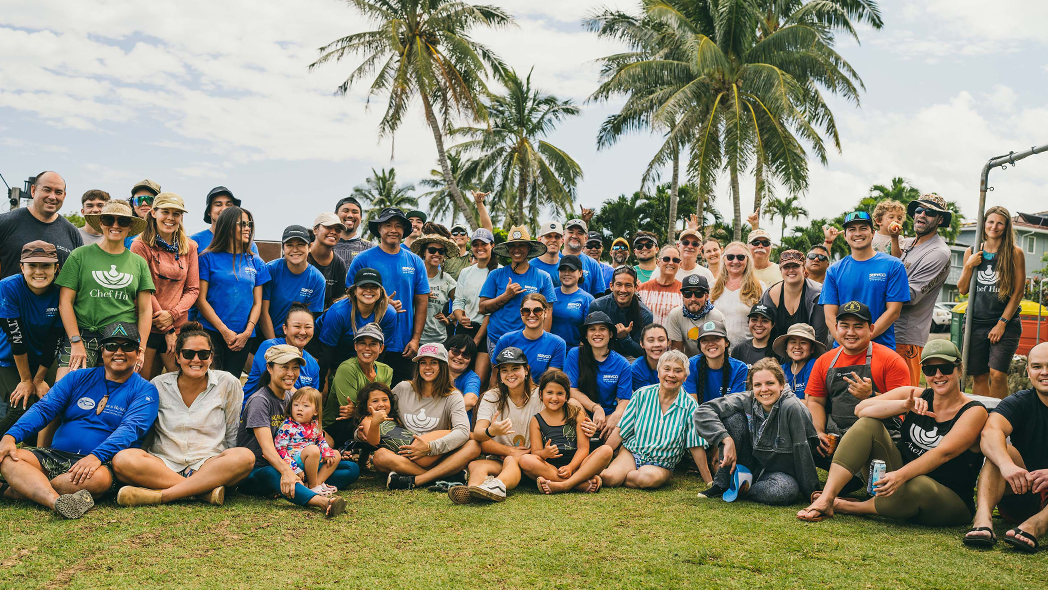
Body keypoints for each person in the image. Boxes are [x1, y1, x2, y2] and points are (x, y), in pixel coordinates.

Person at [798, 340, 987, 526]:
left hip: (947, 497)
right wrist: (904, 405)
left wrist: (900, 476)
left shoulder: (974, 411)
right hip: (900, 482)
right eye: (930, 369)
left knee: (918, 485)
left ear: (960, 369)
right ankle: (828, 497)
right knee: (868, 424)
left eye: (946, 368)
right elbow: (861, 410)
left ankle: (849, 506)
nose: (938, 375)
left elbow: (943, 453)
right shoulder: (915, 395)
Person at [0, 322, 159, 519]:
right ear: (102, 351)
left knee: (96, 481)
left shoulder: (145, 390)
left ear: (138, 352)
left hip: (101, 463)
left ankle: (18, 488)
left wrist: (96, 456)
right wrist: (10, 436)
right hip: (55, 455)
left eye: (127, 346)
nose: (119, 352)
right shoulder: (77, 378)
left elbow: (130, 430)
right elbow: (44, 409)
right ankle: (55, 501)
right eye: (111, 346)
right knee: (10, 459)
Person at [110, 322, 255, 506]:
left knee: (245, 457)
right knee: (123, 459)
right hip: (164, 463)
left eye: (203, 354)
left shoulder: (228, 382)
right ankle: (201, 492)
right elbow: (148, 430)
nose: (196, 360)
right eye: (188, 354)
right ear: (177, 357)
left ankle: (161, 496)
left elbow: (232, 429)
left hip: (208, 463)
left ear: (211, 357)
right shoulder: (158, 385)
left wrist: (230, 465)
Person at [236, 344, 356, 516]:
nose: (290, 373)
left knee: (350, 468)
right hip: (260, 469)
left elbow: (312, 435)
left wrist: (327, 453)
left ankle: (307, 485)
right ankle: (323, 502)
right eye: (284, 367)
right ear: (269, 368)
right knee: (273, 473)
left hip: (292, 461)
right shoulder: (260, 401)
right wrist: (287, 471)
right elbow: (267, 450)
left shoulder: (293, 398)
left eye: (295, 368)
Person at [694, 358, 820, 504]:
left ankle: (743, 489)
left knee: (785, 490)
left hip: (780, 472)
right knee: (733, 420)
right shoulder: (748, 398)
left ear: (781, 384)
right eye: (757, 385)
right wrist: (725, 439)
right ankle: (721, 484)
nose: (764, 389)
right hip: (752, 462)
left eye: (770, 383)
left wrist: (812, 493)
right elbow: (703, 411)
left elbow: (802, 449)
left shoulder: (792, 407)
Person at [804, 301, 912, 470]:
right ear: (837, 328)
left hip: (878, 438)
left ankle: (854, 476)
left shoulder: (891, 360)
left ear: (871, 329)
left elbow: (904, 408)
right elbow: (816, 401)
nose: (850, 332)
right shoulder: (824, 361)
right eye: (844, 326)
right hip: (837, 436)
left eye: (858, 326)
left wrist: (871, 397)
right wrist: (818, 432)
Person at [56, 200, 154, 382]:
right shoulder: (80, 255)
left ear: (130, 226)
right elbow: (65, 302)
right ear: (101, 223)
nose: (115, 225)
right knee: (64, 390)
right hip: (83, 334)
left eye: (122, 221)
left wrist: (140, 348)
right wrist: (75, 341)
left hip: (121, 338)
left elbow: (145, 309)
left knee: (112, 396)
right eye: (109, 219)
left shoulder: (138, 262)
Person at [964, 343, 1048, 552]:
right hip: (1024, 489)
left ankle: (1035, 526)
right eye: (1037, 366)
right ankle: (982, 519)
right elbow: (990, 432)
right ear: (1028, 371)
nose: (1044, 372)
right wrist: (1006, 465)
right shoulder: (1020, 403)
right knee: (999, 451)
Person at [600, 349, 710, 489]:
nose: (671, 375)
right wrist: (601, 458)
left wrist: (709, 481)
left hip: (662, 463)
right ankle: (620, 474)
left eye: (678, 371)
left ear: (685, 377)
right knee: (609, 478)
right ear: (658, 373)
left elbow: (695, 445)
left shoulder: (690, 405)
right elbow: (621, 431)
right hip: (632, 453)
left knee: (646, 478)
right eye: (666, 369)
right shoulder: (642, 395)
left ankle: (643, 476)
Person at [378, 343, 481, 490]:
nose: (427, 367)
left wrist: (430, 448)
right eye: (423, 363)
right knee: (380, 456)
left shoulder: (453, 396)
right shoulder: (403, 388)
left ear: (443, 366)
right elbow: (381, 408)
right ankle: (443, 477)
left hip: (437, 454)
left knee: (473, 445)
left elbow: (462, 431)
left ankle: (418, 480)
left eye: (433, 362)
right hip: (407, 453)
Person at [451, 347, 544, 503]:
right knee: (476, 465)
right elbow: (479, 435)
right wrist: (491, 431)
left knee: (511, 460)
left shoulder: (541, 395)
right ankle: (473, 491)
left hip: (532, 461)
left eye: (515, 368)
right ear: (499, 375)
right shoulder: (491, 396)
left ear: (526, 370)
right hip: (500, 460)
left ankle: (497, 486)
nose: (510, 374)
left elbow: (567, 402)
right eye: (504, 370)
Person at [347, 207, 429, 385]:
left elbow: (422, 302)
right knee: (366, 394)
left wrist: (415, 340)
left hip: (403, 344)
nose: (393, 230)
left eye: (398, 226)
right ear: (379, 229)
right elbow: (350, 297)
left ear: (404, 231)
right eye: (388, 225)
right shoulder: (362, 259)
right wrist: (382, 302)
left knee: (399, 397)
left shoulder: (415, 261)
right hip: (368, 342)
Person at [958, 206, 1026, 399]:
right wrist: (969, 266)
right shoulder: (972, 252)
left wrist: (1001, 323)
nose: (994, 227)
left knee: (997, 375)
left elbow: (1019, 292)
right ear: (984, 223)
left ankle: (1000, 416)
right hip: (975, 322)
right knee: (979, 376)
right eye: (990, 222)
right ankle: (981, 416)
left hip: (1005, 322)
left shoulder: (1014, 253)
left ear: (1006, 227)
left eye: (999, 223)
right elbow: (963, 290)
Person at [130, 193, 200, 379]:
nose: (170, 218)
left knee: (179, 382)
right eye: (165, 212)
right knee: (142, 382)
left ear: (181, 217)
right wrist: (165, 326)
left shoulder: (190, 247)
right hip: (146, 326)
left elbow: (193, 289)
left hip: (178, 327)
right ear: (153, 213)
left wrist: (172, 316)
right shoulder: (139, 245)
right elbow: (143, 288)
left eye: (176, 214)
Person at [196, 207, 270, 374]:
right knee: (209, 383)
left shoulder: (256, 262)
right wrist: (224, 331)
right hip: (212, 332)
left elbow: (258, 303)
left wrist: (247, 332)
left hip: (243, 337)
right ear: (228, 226)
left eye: (249, 224)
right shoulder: (207, 258)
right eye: (242, 224)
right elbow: (200, 300)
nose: (247, 228)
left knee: (231, 383)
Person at [0, 242, 64, 437]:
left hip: (44, 357)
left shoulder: (62, 291)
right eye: (32, 265)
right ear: (22, 267)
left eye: (45, 265)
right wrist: (27, 380)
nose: (39, 271)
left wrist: (39, 378)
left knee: (55, 401)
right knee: (23, 406)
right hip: (10, 358)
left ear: (56, 268)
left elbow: (56, 338)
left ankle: (34, 448)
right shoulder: (8, 287)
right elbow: (15, 337)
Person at [820, 211, 910, 349]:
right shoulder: (834, 271)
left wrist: (861, 339)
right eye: (852, 230)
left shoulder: (893, 266)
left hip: (880, 349)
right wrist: (845, 342)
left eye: (863, 228)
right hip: (843, 350)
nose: (857, 234)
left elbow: (893, 312)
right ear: (845, 236)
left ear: (873, 233)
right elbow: (829, 316)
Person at [893, 194, 953, 386]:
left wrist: (873, 285)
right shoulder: (908, 243)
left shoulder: (938, 253)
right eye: (919, 210)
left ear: (940, 219)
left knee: (904, 396)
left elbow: (910, 296)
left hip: (906, 336)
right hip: (887, 331)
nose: (922, 215)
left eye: (930, 212)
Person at [523, 370, 611, 494]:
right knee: (525, 460)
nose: (554, 398)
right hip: (552, 469)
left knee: (606, 450)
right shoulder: (536, 420)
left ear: (566, 396)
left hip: (579, 466)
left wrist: (571, 467)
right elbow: (536, 453)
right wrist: (545, 453)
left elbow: (583, 448)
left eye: (560, 393)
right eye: (549, 393)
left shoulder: (576, 414)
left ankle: (564, 485)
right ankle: (580, 484)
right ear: (541, 395)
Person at [310, 268, 397, 389]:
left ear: (381, 291)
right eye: (363, 286)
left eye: (374, 287)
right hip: (322, 349)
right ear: (354, 291)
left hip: (355, 351)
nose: (368, 290)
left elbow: (381, 352)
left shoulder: (389, 314)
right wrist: (321, 384)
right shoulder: (338, 312)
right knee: (325, 389)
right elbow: (326, 351)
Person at [479, 225, 556, 354]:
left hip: (530, 340)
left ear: (529, 248)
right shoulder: (496, 275)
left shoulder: (543, 277)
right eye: (513, 246)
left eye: (522, 245)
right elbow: (482, 308)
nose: (517, 249)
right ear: (508, 249)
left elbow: (547, 313)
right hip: (497, 338)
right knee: (501, 373)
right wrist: (506, 296)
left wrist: (543, 342)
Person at [0, 171, 81, 279]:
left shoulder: (72, 233)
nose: (52, 197)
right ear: (33, 190)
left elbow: (76, 277)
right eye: (46, 190)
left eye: (58, 192)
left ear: (64, 195)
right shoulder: (5, 223)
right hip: (10, 296)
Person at [564, 312, 633, 439]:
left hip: (607, 416)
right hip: (582, 413)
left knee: (623, 417)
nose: (597, 333)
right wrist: (596, 408)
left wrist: (616, 416)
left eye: (602, 329)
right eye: (592, 329)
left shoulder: (622, 363)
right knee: (571, 402)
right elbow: (571, 390)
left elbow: (624, 399)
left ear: (611, 334)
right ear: (586, 334)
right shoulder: (575, 354)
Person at [325, 323, 392, 449]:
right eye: (362, 343)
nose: (367, 348)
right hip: (338, 425)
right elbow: (350, 413)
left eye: (373, 344)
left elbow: (383, 407)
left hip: (368, 420)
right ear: (355, 346)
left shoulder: (386, 370)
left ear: (381, 348)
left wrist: (356, 409)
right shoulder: (347, 368)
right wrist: (357, 411)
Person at [355, 382, 452, 468]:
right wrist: (375, 422)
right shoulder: (368, 419)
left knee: (458, 441)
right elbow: (373, 442)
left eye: (385, 400)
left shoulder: (394, 417)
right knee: (455, 433)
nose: (381, 404)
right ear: (366, 405)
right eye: (375, 401)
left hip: (419, 448)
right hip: (414, 450)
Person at [260, 225, 325, 340]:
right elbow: (263, 311)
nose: (295, 250)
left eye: (300, 245)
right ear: (283, 248)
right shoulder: (271, 270)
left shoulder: (317, 279)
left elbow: (310, 320)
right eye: (289, 245)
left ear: (310, 247)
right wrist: (273, 343)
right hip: (265, 336)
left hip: (296, 339)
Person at [451, 228, 496, 386]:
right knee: (457, 378)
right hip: (465, 329)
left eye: (484, 244)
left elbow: (492, 312)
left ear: (492, 245)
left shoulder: (498, 272)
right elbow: (458, 301)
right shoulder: (466, 272)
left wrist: (476, 340)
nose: (479, 248)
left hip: (486, 332)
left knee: (478, 380)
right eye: (475, 244)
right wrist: (459, 317)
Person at [243, 304, 321, 396]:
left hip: (291, 409)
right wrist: (304, 399)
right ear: (285, 329)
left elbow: (312, 398)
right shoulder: (270, 347)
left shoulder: (312, 364)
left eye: (308, 327)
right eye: (297, 326)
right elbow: (277, 384)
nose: (303, 332)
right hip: (257, 406)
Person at [274, 387, 340, 495]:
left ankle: (315, 484)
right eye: (296, 405)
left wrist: (327, 452)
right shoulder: (287, 426)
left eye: (305, 406)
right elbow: (280, 450)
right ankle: (314, 486)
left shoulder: (314, 425)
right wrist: (294, 469)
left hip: (312, 461)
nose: (299, 409)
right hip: (296, 462)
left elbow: (321, 441)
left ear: (316, 411)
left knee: (335, 454)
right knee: (313, 450)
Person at [758, 249, 827, 347]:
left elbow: (819, 336)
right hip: (778, 351)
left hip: (811, 351)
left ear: (803, 269)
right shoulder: (771, 294)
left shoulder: (818, 294)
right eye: (786, 267)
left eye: (795, 266)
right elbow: (766, 331)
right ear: (780, 270)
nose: (791, 270)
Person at [492, 294, 566, 383]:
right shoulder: (505, 340)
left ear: (545, 313)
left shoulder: (557, 343)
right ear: (521, 313)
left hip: (539, 394)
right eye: (526, 311)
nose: (531, 315)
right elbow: (495, 378)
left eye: (537, 310)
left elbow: (550, 382)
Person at [710, 241, 765, 348]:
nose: (735, 261)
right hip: (717, 350)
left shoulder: (759, 287)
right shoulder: (712, 287)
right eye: (730, 257)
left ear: (747, 260)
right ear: (724, 259)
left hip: (747, 350)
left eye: (740, 257)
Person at [590, 267, 653, 359]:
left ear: (635, 288)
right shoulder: (597, 306)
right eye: (619, 285)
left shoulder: (645, 314)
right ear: (611, 286)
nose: (623, 290)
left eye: (628, 285)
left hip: (631, 357)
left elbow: (642, 352)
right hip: (601, 353)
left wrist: (625, 338)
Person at [683, 319, 748, 402]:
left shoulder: (740, 368)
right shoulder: (691, 365)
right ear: (700, 346)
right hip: (698, 414)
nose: (710, 343)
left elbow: (735, 404)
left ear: (726, 343)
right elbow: (692, 404)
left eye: (716, 338)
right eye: (705, 340)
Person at [412, 232, 458, 345]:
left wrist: (450, 318)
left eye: (441, 251)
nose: (437, 254)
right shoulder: (414, 276)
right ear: (424, 252)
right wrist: (421, 296)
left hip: (438, 338)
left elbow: (461, 301)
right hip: (413, 337)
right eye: (432, 250)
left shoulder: (447, 279)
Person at [665, 274, 724, 358]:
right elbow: (677, 352)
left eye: (698, 294)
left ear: (706, 296)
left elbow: (719, 350)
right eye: (687, 294)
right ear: (682, 297)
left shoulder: (717, 317)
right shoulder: (675, 315)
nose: (693, 299)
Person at [189, 187, 259, 256]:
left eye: (229, 205)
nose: (224, 209)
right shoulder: (195, 241)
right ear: (208, 211)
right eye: (218, 205)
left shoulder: (249, 245)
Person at [550, 255, 595, 349]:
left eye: (571, 270)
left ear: (580, 273)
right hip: (551, 350)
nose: (566, 273)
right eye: (563, 270)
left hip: (575, 352)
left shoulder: (587, 299)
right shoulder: (550, 294)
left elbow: (591, 330)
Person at [772, 323, 826, 399]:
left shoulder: (813, 365)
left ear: (812, 348)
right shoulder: (781, 369)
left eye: (803, 342)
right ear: (786, 348)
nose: (797, 347)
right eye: (793, 342)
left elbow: (810, 403)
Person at [307, 213, 348, 310]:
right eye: (328, 227)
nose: (333, 232)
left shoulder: (339, 264)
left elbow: (334, 302)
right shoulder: (301, 256)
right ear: (315, 230)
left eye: (338, 230)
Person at [637, 246, 684, 325]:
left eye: (675, 260)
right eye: (666, 259)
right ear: (658, 262)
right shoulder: (642, 289)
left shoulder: (684, 292)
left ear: (680, 264)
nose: (671, 263)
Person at [563, 218, 608, 296]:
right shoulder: (554, 260)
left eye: (579, 233)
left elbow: (599, 297)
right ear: (563, 235)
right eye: (571, 232)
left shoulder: (593, 264)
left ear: (586, 238)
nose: (574, 236)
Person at [446, 334, 482, 421]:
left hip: (456, 425)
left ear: (471, 360)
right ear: (446, 351)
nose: (459, 357)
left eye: (465, 355)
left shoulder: (472, 378)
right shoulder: (435, 370)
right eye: (455, 351)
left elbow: (470, 401)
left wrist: (440, 416)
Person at [332, 196, 373, 268]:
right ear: (335, 215)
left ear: (360, 218)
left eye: (355, 212)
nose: (350, 215)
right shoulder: (326, 245)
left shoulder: (370, 248)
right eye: (345, 211)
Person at [631, 324, 670, 391]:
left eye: (661, 340)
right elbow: (647, 396)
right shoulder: (637, 368)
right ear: (642, 344)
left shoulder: (677, 365)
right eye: (651, 340)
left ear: (668, 342)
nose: (656, 345)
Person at [529, 221, 565, 289]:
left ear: (562, 241)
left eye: (557, 237)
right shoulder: (530, 267)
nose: (553, 240)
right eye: (548, 236)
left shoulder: (566, 266)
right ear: (540, 240)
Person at [126, 179, 161, 247]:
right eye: (139, 200)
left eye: (150, 200)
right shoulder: (124, 232)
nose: (144, 203)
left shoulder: (168, 231)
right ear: (133, 204)